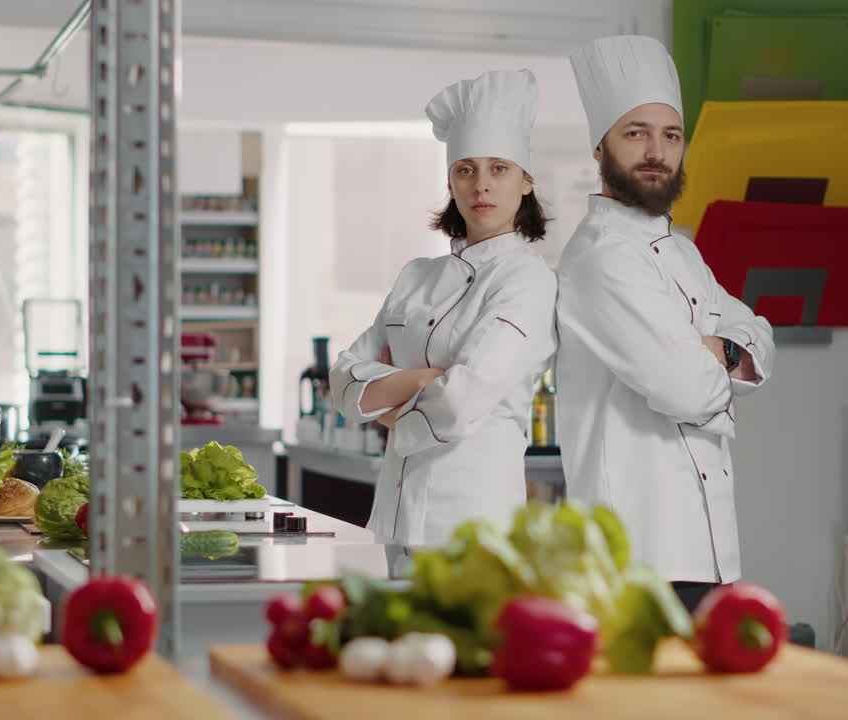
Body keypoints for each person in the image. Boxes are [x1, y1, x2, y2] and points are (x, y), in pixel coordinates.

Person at [556, 35, 776, 612]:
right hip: (636, 555)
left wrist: (715, 351)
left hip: (706, 547)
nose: (657, 151)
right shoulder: (601, 257)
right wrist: (726, 355)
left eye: (671, 135)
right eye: (636, 133)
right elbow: (687, 389)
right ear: (599, 148)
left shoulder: (683, 252)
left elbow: (760, 335)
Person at [329, 69, 557, 546]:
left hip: (472, 527)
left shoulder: (528, 280)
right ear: (451, 182)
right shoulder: (416, 276)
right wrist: (422, 381)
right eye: (465, 169)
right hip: (392, 518)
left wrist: (387, 404)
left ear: (526, 181)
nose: (481, 185)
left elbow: (458, 401)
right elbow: (343, 381)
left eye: (499, 168)